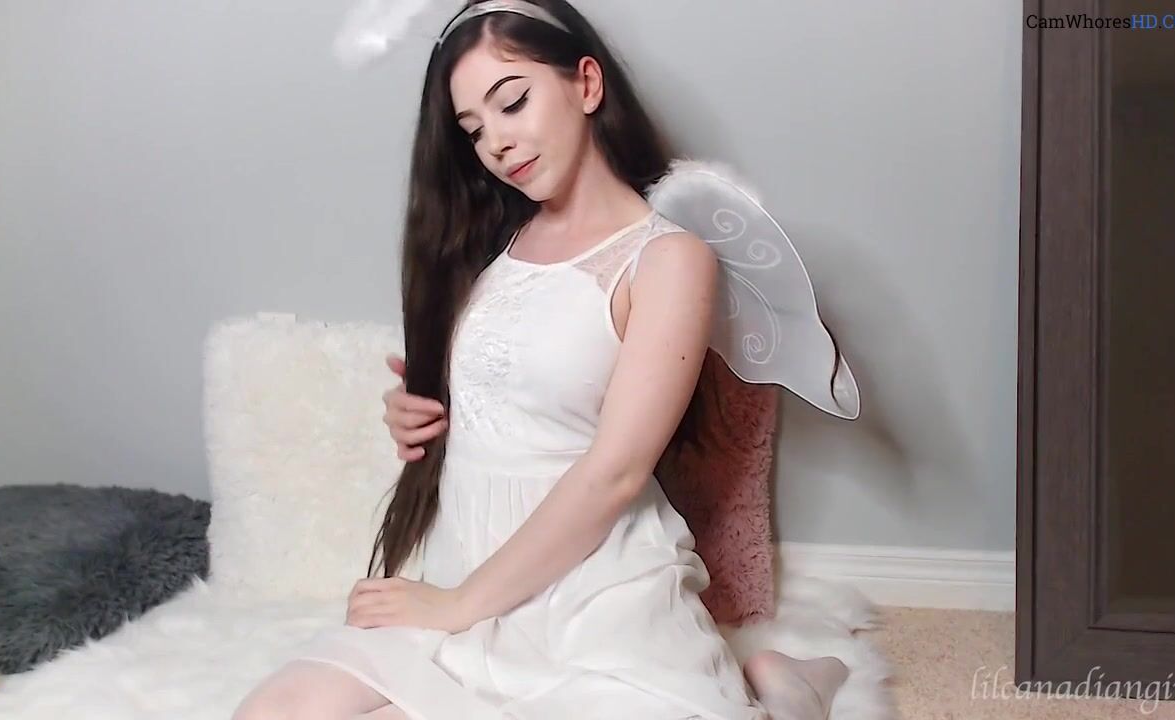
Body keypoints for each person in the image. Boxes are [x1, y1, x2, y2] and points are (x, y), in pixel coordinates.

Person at [232, 1, 849, 718]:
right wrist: (421, 413)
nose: (495, 142)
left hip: (590, 597)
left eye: (512, 102)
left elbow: (615, 472)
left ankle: (786, 686)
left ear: (586, 84)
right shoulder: (491, 244)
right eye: (473, 129)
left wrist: (457, 604)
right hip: (468, 574)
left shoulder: (667, 259)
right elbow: (515, 398)